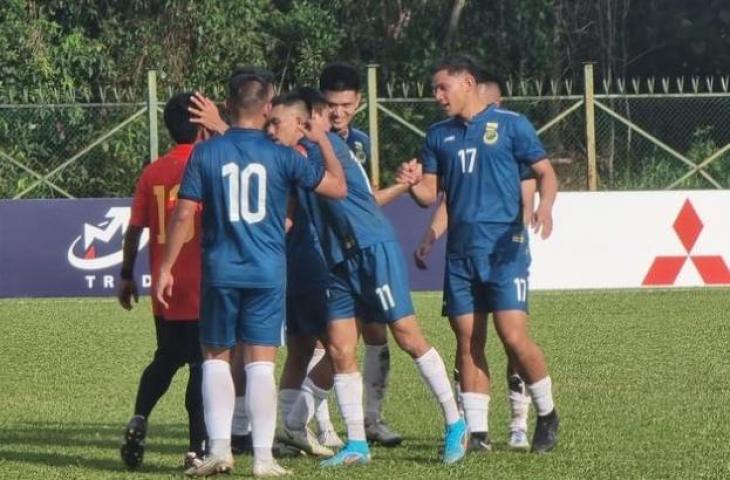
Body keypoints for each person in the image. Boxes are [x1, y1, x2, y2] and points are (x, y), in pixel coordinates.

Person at [155, 68, 347, 477]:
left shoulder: (206, 153)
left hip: (220, 270)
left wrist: (167, 266)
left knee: (216, 359)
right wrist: (321, 138)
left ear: (228, 106)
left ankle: (219, 450)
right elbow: (336, 187)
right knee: (261, 362)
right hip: (267, 272)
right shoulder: (282, 155)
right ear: (267, 108)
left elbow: (183, 213)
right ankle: (263, 458)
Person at [266, 90, 468, 468]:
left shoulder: (327, 151)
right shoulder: (296, 158)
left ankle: (456, 423)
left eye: (277, 122)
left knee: (407, 335)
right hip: (338, 259)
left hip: (373, 249)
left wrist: (321, 137)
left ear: (302, 122)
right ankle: (357, 443)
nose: (271, 130)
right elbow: (290, 210)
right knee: (341, 349)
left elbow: (350, 194)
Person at [401, 53, 560, 454]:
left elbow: (546, 172)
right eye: (435, 89)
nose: (437, 96)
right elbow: (433, 195)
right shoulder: (438, 135)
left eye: (443, 87)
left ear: (467, 82)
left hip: (505, 250)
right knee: (468, 338)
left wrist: (544, 206)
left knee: (513, 336)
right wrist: (412, 187)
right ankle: (479, 432)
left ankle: (547, 413)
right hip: (460, 255)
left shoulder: (511, 126)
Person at [117, 92, 208, 470]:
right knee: (203, 366)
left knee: (167, 358)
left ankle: (139, 416)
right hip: (204, 284)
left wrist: (126, 274)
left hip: (165, 284)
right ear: (202, 123)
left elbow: (134, 228)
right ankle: (195, 449)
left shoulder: (153, 171)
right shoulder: (209, 165)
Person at [318, 62, 402, 446]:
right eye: (332, 104)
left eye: (346, 105)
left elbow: (364, 200)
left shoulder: (361, 144)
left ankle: (372, 418)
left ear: (359, 103)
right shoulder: (310, 140)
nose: (338, 112)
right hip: (324, 253)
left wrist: (402, 185)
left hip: (360, 252)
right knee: (325, 341)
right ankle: (321, 425)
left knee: (375, 332)